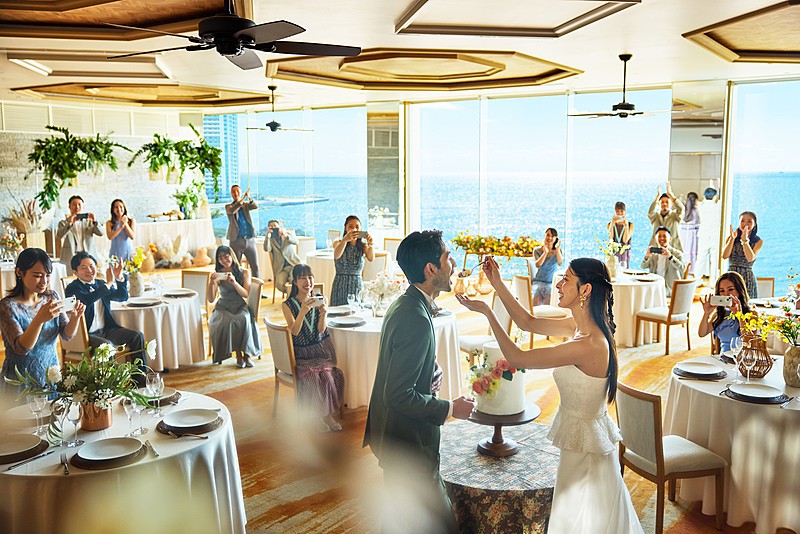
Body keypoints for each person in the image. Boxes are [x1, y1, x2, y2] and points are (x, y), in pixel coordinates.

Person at [456, 257, 643, 534]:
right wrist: (497, 282)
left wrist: (487, 312)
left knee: (582, 520)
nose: (558, 284)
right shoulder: (578, 327)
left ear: (585, 289)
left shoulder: (590, 344)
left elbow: (518, 358)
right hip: (579, 441)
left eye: (566, 279)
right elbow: (527, 322)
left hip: (586, 449)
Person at [363, 230, 476, 534]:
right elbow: (398, 395)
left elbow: (397, 366)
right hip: (409, 445)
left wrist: (428, 371)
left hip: (395, 440)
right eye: (448, 258)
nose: (453, 264)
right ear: (431, 269)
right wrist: (451, 408)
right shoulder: (415, 316)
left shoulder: (405, 304)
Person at [0, 248, 86, 393]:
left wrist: (76, 317)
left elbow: (67, 335)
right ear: (19, 272)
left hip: (50, 374)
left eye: (48, 275)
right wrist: (39, 319)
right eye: (38, 276)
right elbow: (22, 348)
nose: (44, 281)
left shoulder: (51, 297)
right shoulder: (7, 306)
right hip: (20, 380)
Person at [65, 251, 146, 386]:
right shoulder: (73, 288)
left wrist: (119, 278)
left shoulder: (100, 284)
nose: (89, 270)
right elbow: (87, 300)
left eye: (92, 266)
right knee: (107, 346)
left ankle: (140, 383)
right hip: (86, 335)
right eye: (83, 267)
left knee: (137, 336)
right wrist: (108, 283)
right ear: (75, 272)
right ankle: (113, 387)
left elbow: (122, 297)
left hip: (106, 329)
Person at [282, 264, 344, 432]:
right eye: (302, 278)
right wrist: (303, 311)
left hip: (320, 350)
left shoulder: (321, 299)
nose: (307, 282)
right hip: (301, 353)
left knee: (328, 376)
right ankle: (316, 417)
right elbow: (294, 331)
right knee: (313, 378)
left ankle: (327, 415)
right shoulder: (288, 305)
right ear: (295, 281)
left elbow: (321, 330)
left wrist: (324, 314)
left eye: (310, 277)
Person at [207, 246, 261, 368]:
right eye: (220, 258)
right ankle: (238, 354)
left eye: (226, 256)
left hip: (239, 304)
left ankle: (246, 354)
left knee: (243, 318)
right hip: (223, 306)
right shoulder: (219, 275)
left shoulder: (244, 272)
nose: (224, 260)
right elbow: (211, 299)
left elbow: (245, 294)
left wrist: (234, 282)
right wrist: (212, 283)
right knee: (229, 320)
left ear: (232, 256)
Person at [698, 272, 750, 353]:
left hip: (743, 357)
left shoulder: (751, 314)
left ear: (739, 290)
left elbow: (749, 341)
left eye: (730, 289)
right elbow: (702, 333)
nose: (726, 294)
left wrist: (739, 316)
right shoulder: (720, 315)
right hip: (723, 358)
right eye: (722, 291)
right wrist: (706, 314)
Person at [330, 215, 374, 307]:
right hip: (340, 284)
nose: (354, 229)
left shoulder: (363, 246)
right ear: (345, 228)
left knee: (356, 310)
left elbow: (371, 258)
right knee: (338, 312)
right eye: (350, 226)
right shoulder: (338, 243)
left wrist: (371, 244)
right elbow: (336, 255)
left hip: (356, 284)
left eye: (357, 227)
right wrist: (345, 240)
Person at [57, 195, 103, 275]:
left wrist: (95, 221)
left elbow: (101, 233)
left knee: (89, 276)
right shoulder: (63, 223)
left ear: (83, 206)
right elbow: (59, 235)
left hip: (87, 254)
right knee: (71, 277)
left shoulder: (89, 222)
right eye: (74, 205)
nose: (77, 207)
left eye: (79, 204)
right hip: (70, 255)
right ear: (69, 206)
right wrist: (70, 223)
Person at [722, 211, 763, 298]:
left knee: (747, 303)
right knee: (729, 302)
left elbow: (750, 258)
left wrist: (745, 241)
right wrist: (732, 239)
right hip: (732, 275)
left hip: (747, 276)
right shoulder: (732, 237)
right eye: (743, 221)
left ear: (755, 224)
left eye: (749, 221)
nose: (745, 224)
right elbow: (724, 256)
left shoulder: (758, 241)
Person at [225, 184, 260, 279]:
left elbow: (255, 206)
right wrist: (243, 198)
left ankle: (257, 287)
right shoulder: (228, 206)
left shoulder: (245, 205)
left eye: (237, 191)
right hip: (236, 240)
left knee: (255, 267)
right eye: (233, 192)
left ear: (240, 192)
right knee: (236, 267)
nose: (236, 193)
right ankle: (238, 286)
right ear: (231, 194)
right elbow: (233, 210)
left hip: (249, 240)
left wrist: (249, 197)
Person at [641, 227, 686, 297]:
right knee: (641, 291)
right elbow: (643, 266)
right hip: (654, 284)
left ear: (670, 238)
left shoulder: (677, 254)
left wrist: (670, 257)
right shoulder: (653, 254)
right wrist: (647, 256)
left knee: (652, 294)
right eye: (659, 236)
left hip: (669, 288)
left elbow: (683, 269)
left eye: (664, 236)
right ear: (655, 239)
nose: (662, 238)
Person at [264, 219, 301, 293]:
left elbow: (296, 242)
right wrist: (267, 236)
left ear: (279, 226)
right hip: (281, 268)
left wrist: (285, 235)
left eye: (275, 226)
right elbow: (266, 249)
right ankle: (290, 294)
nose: (273, 228)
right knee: (279, 284)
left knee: (293, 279)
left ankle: (293, 295)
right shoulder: (270, 240)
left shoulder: (287, 234)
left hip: (293, 264)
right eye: (271, 227)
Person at [530, 228, 563, 305]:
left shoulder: (558, 251)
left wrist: (557, 249)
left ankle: (547, 312)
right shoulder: (537, 250)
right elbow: (538, 265)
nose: (550, 238)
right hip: (538, 281)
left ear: (556, 238)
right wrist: (545, 252)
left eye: (552, 236)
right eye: (548, 235)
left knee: (549, 298)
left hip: (551, 283)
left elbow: (560, 263)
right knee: (537, 298)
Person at [647, 183, 684, 251]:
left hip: (673, 246)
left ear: (671, 204)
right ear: (659, 204)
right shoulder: (655, 217)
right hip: (657, 248)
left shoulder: (675, 216)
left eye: (667, 202)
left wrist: (670, 194)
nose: (664, 204)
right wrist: (657, 197)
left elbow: (681, 209)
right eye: (662, 202)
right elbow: (650, 212)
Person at [607, 202, 633, 269]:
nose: (620, 213)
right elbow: (610, 238)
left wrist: (626, 226)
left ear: (625, 211)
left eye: (621, 211)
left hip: (624, 253)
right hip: (613, 252)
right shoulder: (610, 224)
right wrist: (613, 222)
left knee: (624, 269)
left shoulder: (630, 225)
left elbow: (625, 240)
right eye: (617, 211)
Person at [679, 192, 700, 274]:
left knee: (685, 252)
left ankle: (685, 269)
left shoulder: (684, 210)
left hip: (684, 234)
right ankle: (692, 270)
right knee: (693, 252)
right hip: (693, 234)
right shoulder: (696, 210)